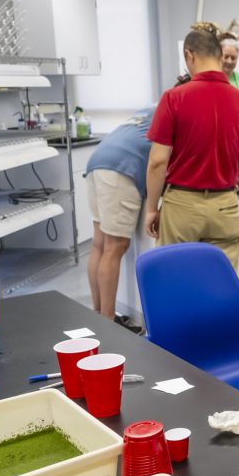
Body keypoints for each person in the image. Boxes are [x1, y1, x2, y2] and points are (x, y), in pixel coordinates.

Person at [145, 28, 239, 270]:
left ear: (189, 55)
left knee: (177, 277)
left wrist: (151, 209)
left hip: (182, 206)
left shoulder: (173, 98)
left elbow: (157, 161)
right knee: (220, 281)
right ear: (220, 56)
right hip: (226, 206)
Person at [84, 108, 153, 334]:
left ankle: (98, 315)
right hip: (121, 168)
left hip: (97, 161)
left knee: (99, 243)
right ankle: (108, 322)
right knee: (115, 246)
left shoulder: (150, 110)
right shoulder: (176, 112)